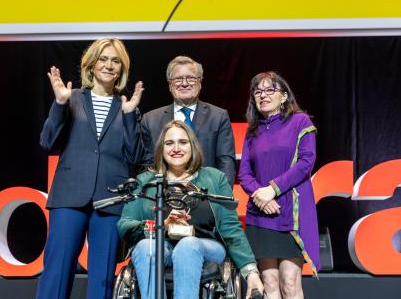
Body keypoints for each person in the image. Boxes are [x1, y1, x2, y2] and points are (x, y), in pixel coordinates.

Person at [36, 38, 144, 299]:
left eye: (115, 61)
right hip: (69, 196)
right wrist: (60, 104)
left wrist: (130, 116)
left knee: (103, 277)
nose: (109, 65)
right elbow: (48, 142)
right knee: (57, 271)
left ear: (122, 69)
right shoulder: (71, 98)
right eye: (103, 59)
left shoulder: (127, 107)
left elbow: (136, 157)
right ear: (91, 64)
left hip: (110, 197)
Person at [117, 120, 264, 299]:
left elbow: (231, 228)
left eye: (183, 142)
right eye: (169, 143)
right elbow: (125, 225)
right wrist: (160, 225)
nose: (176, 148)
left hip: (205, 246)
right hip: (159, 245)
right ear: (161, 149)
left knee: (188, 245)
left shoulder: (214, 178)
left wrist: (251, 271)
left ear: (192, 146)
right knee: (145, 247)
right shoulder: (145, 182)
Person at [238, 71, 320, 299]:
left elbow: (306, 162)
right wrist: (260, 197)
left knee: (289, 283)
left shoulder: (300, 121)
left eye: (269, 90)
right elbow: (244, 173)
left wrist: (271, 189)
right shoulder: (252, 131)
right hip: (261, 211)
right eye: (258, 91)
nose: (263, 95)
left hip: (290, 210)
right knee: (270, 283)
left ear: (284, 96)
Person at [140, 56, 236, 185]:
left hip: (207, 196)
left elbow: (226, 162)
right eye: (178, 79)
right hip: (164, 197)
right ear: (170, 85)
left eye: (190, 78)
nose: (184, 83)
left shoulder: (218, 116)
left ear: (200, 83)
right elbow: (148, 165)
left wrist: (223, 197)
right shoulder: (150, 120)